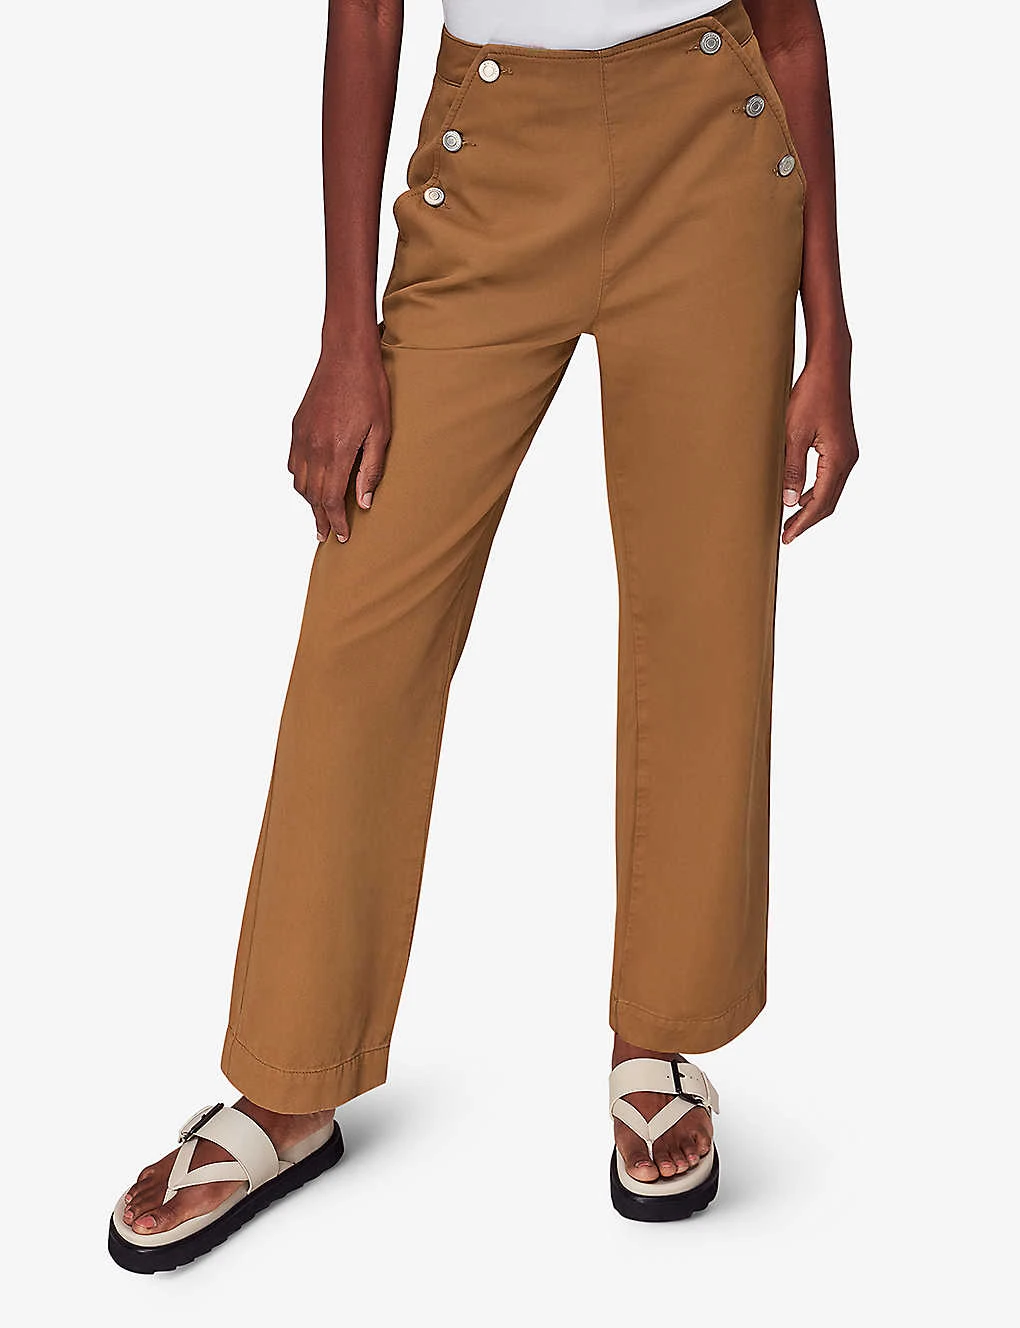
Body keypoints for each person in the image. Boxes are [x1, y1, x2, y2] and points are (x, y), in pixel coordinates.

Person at [109, 0, 857, 1270]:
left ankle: (659, 1031)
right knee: (365, 628)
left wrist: (828, 333)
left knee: (705, 621)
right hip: (491, 151)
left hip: (714, 156)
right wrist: (348, 335)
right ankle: (289, 1080)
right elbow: (365, 17)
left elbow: (789, 32)